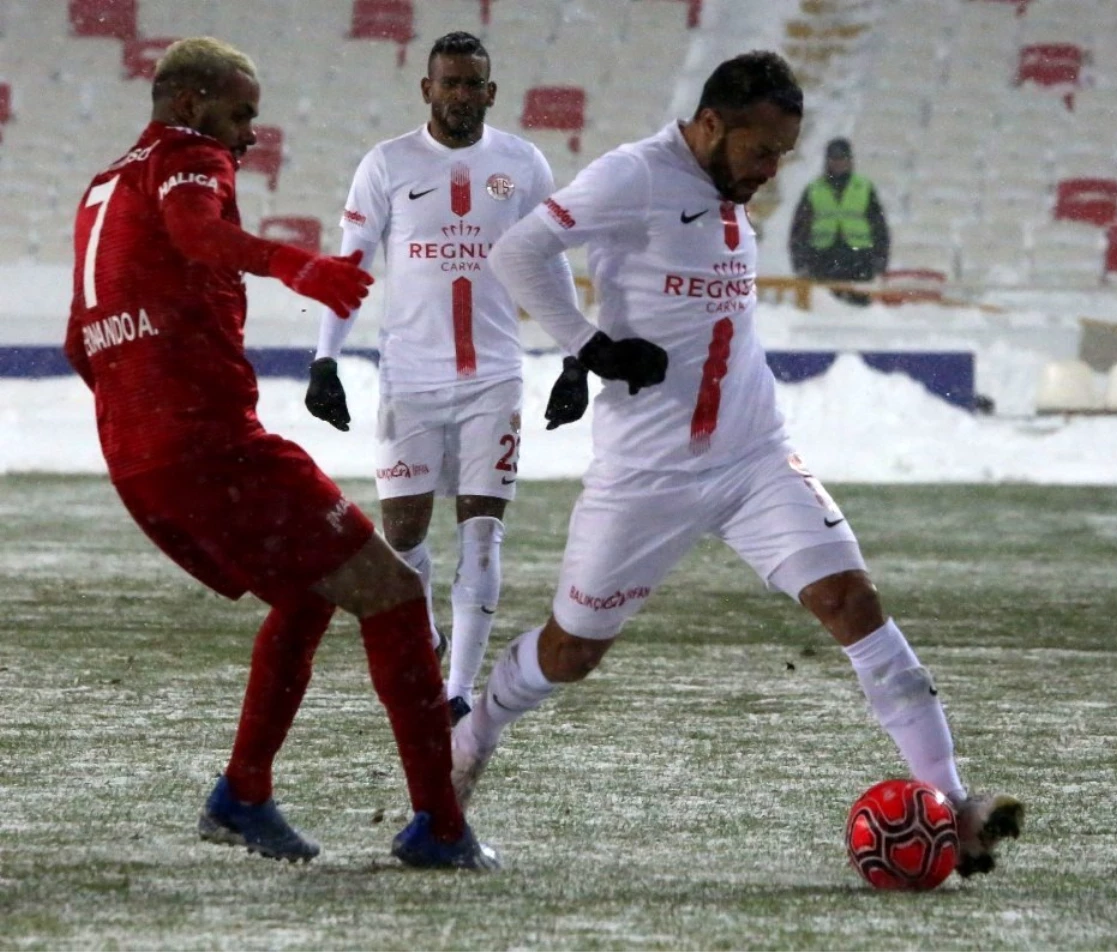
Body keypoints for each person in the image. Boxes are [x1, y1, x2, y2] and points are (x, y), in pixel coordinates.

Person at [454, 51, 1023, 879]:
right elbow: (519, 252)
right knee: (573, 652)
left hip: (754, 453)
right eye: (762, 151)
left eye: (783, 154)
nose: (771, 171)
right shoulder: (635, 176)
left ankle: (955, 805)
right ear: (712, 124)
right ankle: (471, 733)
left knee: (850, 601)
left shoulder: (728, 190)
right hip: (647, 472)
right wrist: (591, 347)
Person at [62, 36, 496, 871]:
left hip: (138, 458)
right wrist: (298, 265)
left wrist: (143, 411)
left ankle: (244, 795)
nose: (248, 133)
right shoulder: (187, 158)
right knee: (395, 594)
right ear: (190, 105)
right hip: (211, 445)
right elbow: (194, 232)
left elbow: (80, 344)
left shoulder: (101, 188)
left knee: (307, 597)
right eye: (240, 112)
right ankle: (440, 827)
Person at [305, 32, 581, 726]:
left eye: (473, 84)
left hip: (494, 374)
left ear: (491, 92)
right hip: (410, 377)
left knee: (483, 531)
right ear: (426, 89)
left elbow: (550, 265)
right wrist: (324, 359)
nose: (461, 95)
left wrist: (578, 354)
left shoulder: (522, 164)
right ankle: (427, 634)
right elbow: (352, 264)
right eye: (448, 83)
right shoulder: (387, 163)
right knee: (402, 537)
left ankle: (456, 693)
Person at [788, 137, 890, 305]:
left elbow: (879, 228)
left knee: (858, 314)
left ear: (850, 160)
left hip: (859, 261)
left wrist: (880, 262)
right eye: (834, 158)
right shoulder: (814, 189)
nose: (838, 163)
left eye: (842, 158)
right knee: (824, 307)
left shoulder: (864, 187)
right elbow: (799, 230)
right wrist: (800, 264)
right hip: (822, 260)